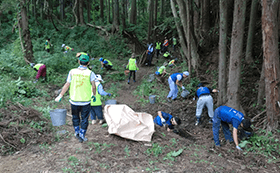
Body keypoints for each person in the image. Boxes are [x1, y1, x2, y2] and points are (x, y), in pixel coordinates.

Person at [55, 54, 96, 143]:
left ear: (78, 61)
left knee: (75, 116)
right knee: (85, 118)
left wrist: (60, 95)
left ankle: (76, 132)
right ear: (88, 63)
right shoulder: (90, 73)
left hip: (74, 100)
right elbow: (93, 86)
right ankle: (82, 134)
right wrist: (94, 95)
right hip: (85, 101)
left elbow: (67, 84)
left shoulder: (72, 71)